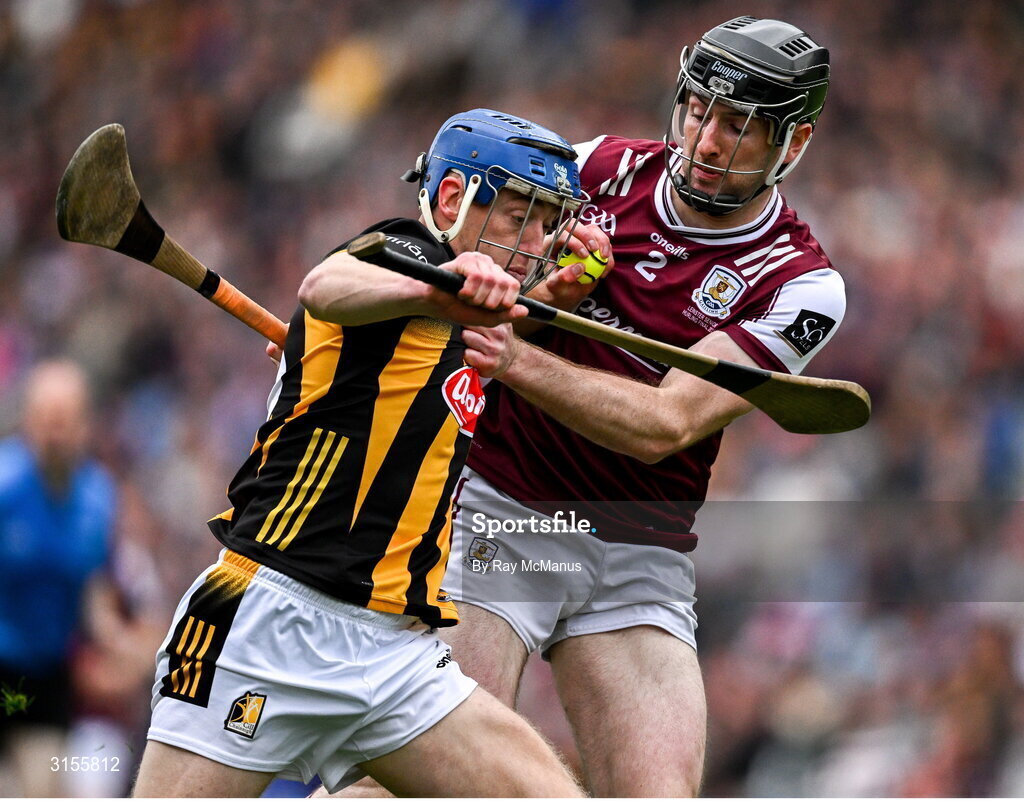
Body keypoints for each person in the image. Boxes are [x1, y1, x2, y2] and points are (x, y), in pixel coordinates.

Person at [437, 16, 846, 797]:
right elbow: (467, 283)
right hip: (501, 511)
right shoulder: (594, 169)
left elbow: (667, 424)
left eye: (738, 126)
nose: (706, 139)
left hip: (639, 558)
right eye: (696, 108)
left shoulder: (799, 284)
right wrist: (541, 293)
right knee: (437, 779)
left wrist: (516, 356)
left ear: (792, 144)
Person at [132, 108, 593, 797]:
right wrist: (440, 287)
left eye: (547, 222)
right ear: (451, 200)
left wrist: (553, 291)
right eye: (519, 217)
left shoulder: (471, 317)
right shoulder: (406, 248)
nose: (535, 241)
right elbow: (324, 286)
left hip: (394, 652)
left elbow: (464, 336)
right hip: (270, 618)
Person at [0, 360, 117, 797]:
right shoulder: (4, 486)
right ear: (28, 421)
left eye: (65, 421)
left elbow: (92, 591)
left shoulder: (98, 498)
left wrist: (122, 645)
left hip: (48, 675)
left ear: (84, 424)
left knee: (42, 789)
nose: (55, 434)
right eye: (47, 420)